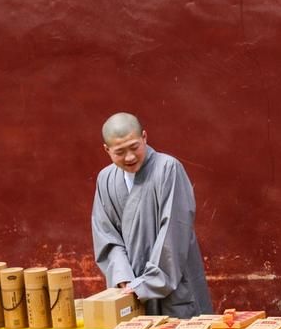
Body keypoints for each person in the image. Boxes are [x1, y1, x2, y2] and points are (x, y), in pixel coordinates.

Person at [91, 112, 213, 317]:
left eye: (135, 147)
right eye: (120, 152)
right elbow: (106, 234)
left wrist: (146, 284)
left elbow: (174, 232)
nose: (129, 157)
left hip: (173, 287)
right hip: (131, 290)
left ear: (145, 137)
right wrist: (125, 278)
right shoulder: (106, 179)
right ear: (107, 150)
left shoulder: (167, 169)